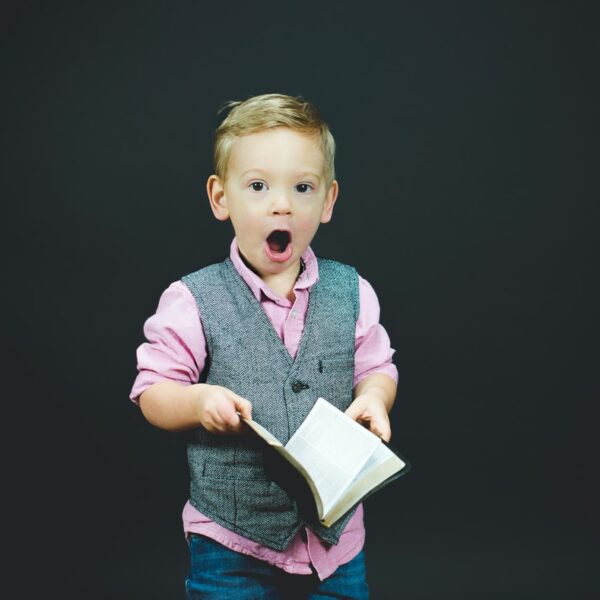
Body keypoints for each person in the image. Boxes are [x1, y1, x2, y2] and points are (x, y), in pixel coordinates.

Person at [130, 93, 398, 599]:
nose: (282, 204)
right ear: (220, 198)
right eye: (258, 186)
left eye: (302, 187)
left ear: (328, 201)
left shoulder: (353, 292)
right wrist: (196, 400)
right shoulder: (193, 299)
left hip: (334, 539)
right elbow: (151, 391)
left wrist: (374, 398)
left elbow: (377, 366)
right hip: (232, 541)